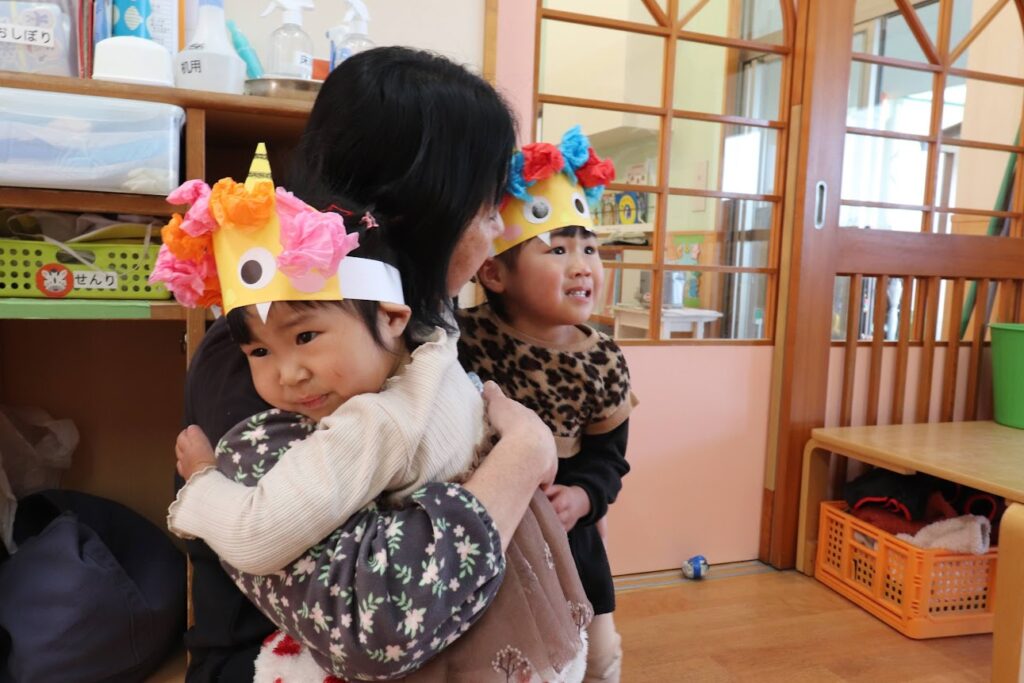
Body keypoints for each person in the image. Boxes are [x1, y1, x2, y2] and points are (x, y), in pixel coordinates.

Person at [169, 47, 591, 682]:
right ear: (418, 215)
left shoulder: (405, 326)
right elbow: (375, 622)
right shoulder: (275, 369)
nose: (495, 235)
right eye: (483, 210)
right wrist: (523, 455)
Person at [457, 127, 634, 683]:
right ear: (493, 272)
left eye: (589, 249)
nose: (582, 266)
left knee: (596, 656)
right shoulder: (465, 339)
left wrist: (584, 497)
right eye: (557, 250)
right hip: (493, 535)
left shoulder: (603, 358)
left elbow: (610, 458)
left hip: (572, 540)